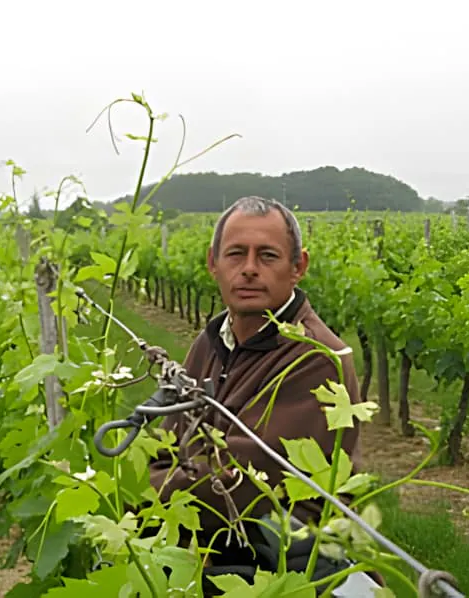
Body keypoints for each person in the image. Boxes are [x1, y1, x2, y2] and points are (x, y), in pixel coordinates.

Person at [147, 196, 365, 578]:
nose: (249, 269)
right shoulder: (213, 339)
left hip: (282, 570)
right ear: (213, 263)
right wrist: (171, 472)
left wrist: (152, 483)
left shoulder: (315, 358)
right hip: (218, 549)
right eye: (235, 254)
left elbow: (240, 486)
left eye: (267, 256)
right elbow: (166, 451)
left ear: (298, 267)